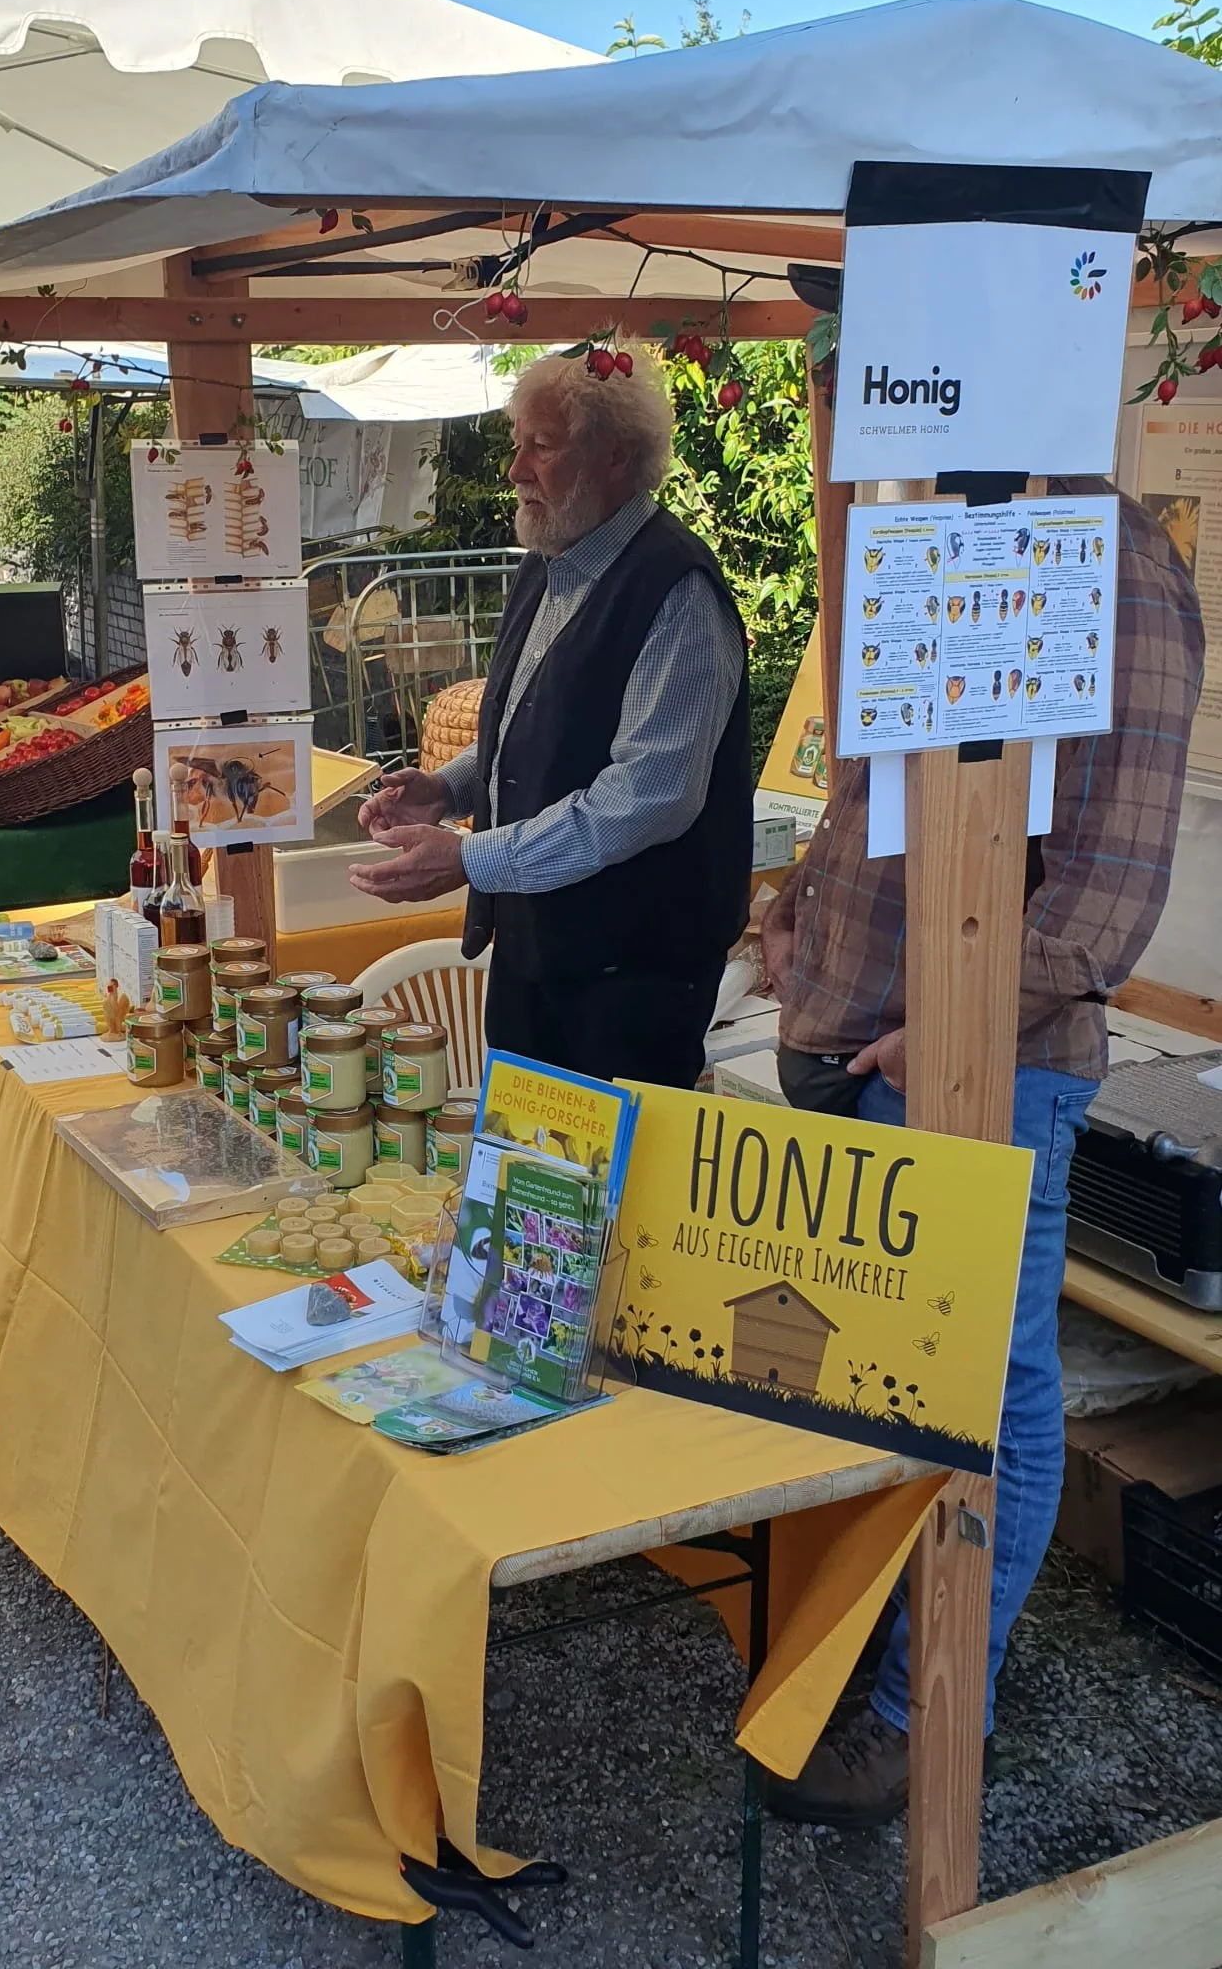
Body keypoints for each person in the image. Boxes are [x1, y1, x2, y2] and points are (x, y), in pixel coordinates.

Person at [762, 486, 1204, 1826]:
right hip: (866, 1042)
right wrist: (794, 914)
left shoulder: (1118, 565)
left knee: (987, 1397)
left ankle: (929, 1713)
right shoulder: (941, 520)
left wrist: (944, 1026)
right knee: (869, 1379)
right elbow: (881, 780)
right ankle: (868, 1654)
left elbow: (1105, 897)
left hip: (976, 1066)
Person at [351, 350, 751, 1089]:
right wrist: (448, 788)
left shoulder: (677, 592)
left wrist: (470, 858)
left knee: (610, 1167)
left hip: (632, 982)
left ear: (615, 456)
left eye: (541, 446)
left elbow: (649, 796)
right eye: (518, 444)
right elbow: (534, 724)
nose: (515, 471)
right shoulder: (548, 564)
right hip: (538, 955)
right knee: (521, 1158)